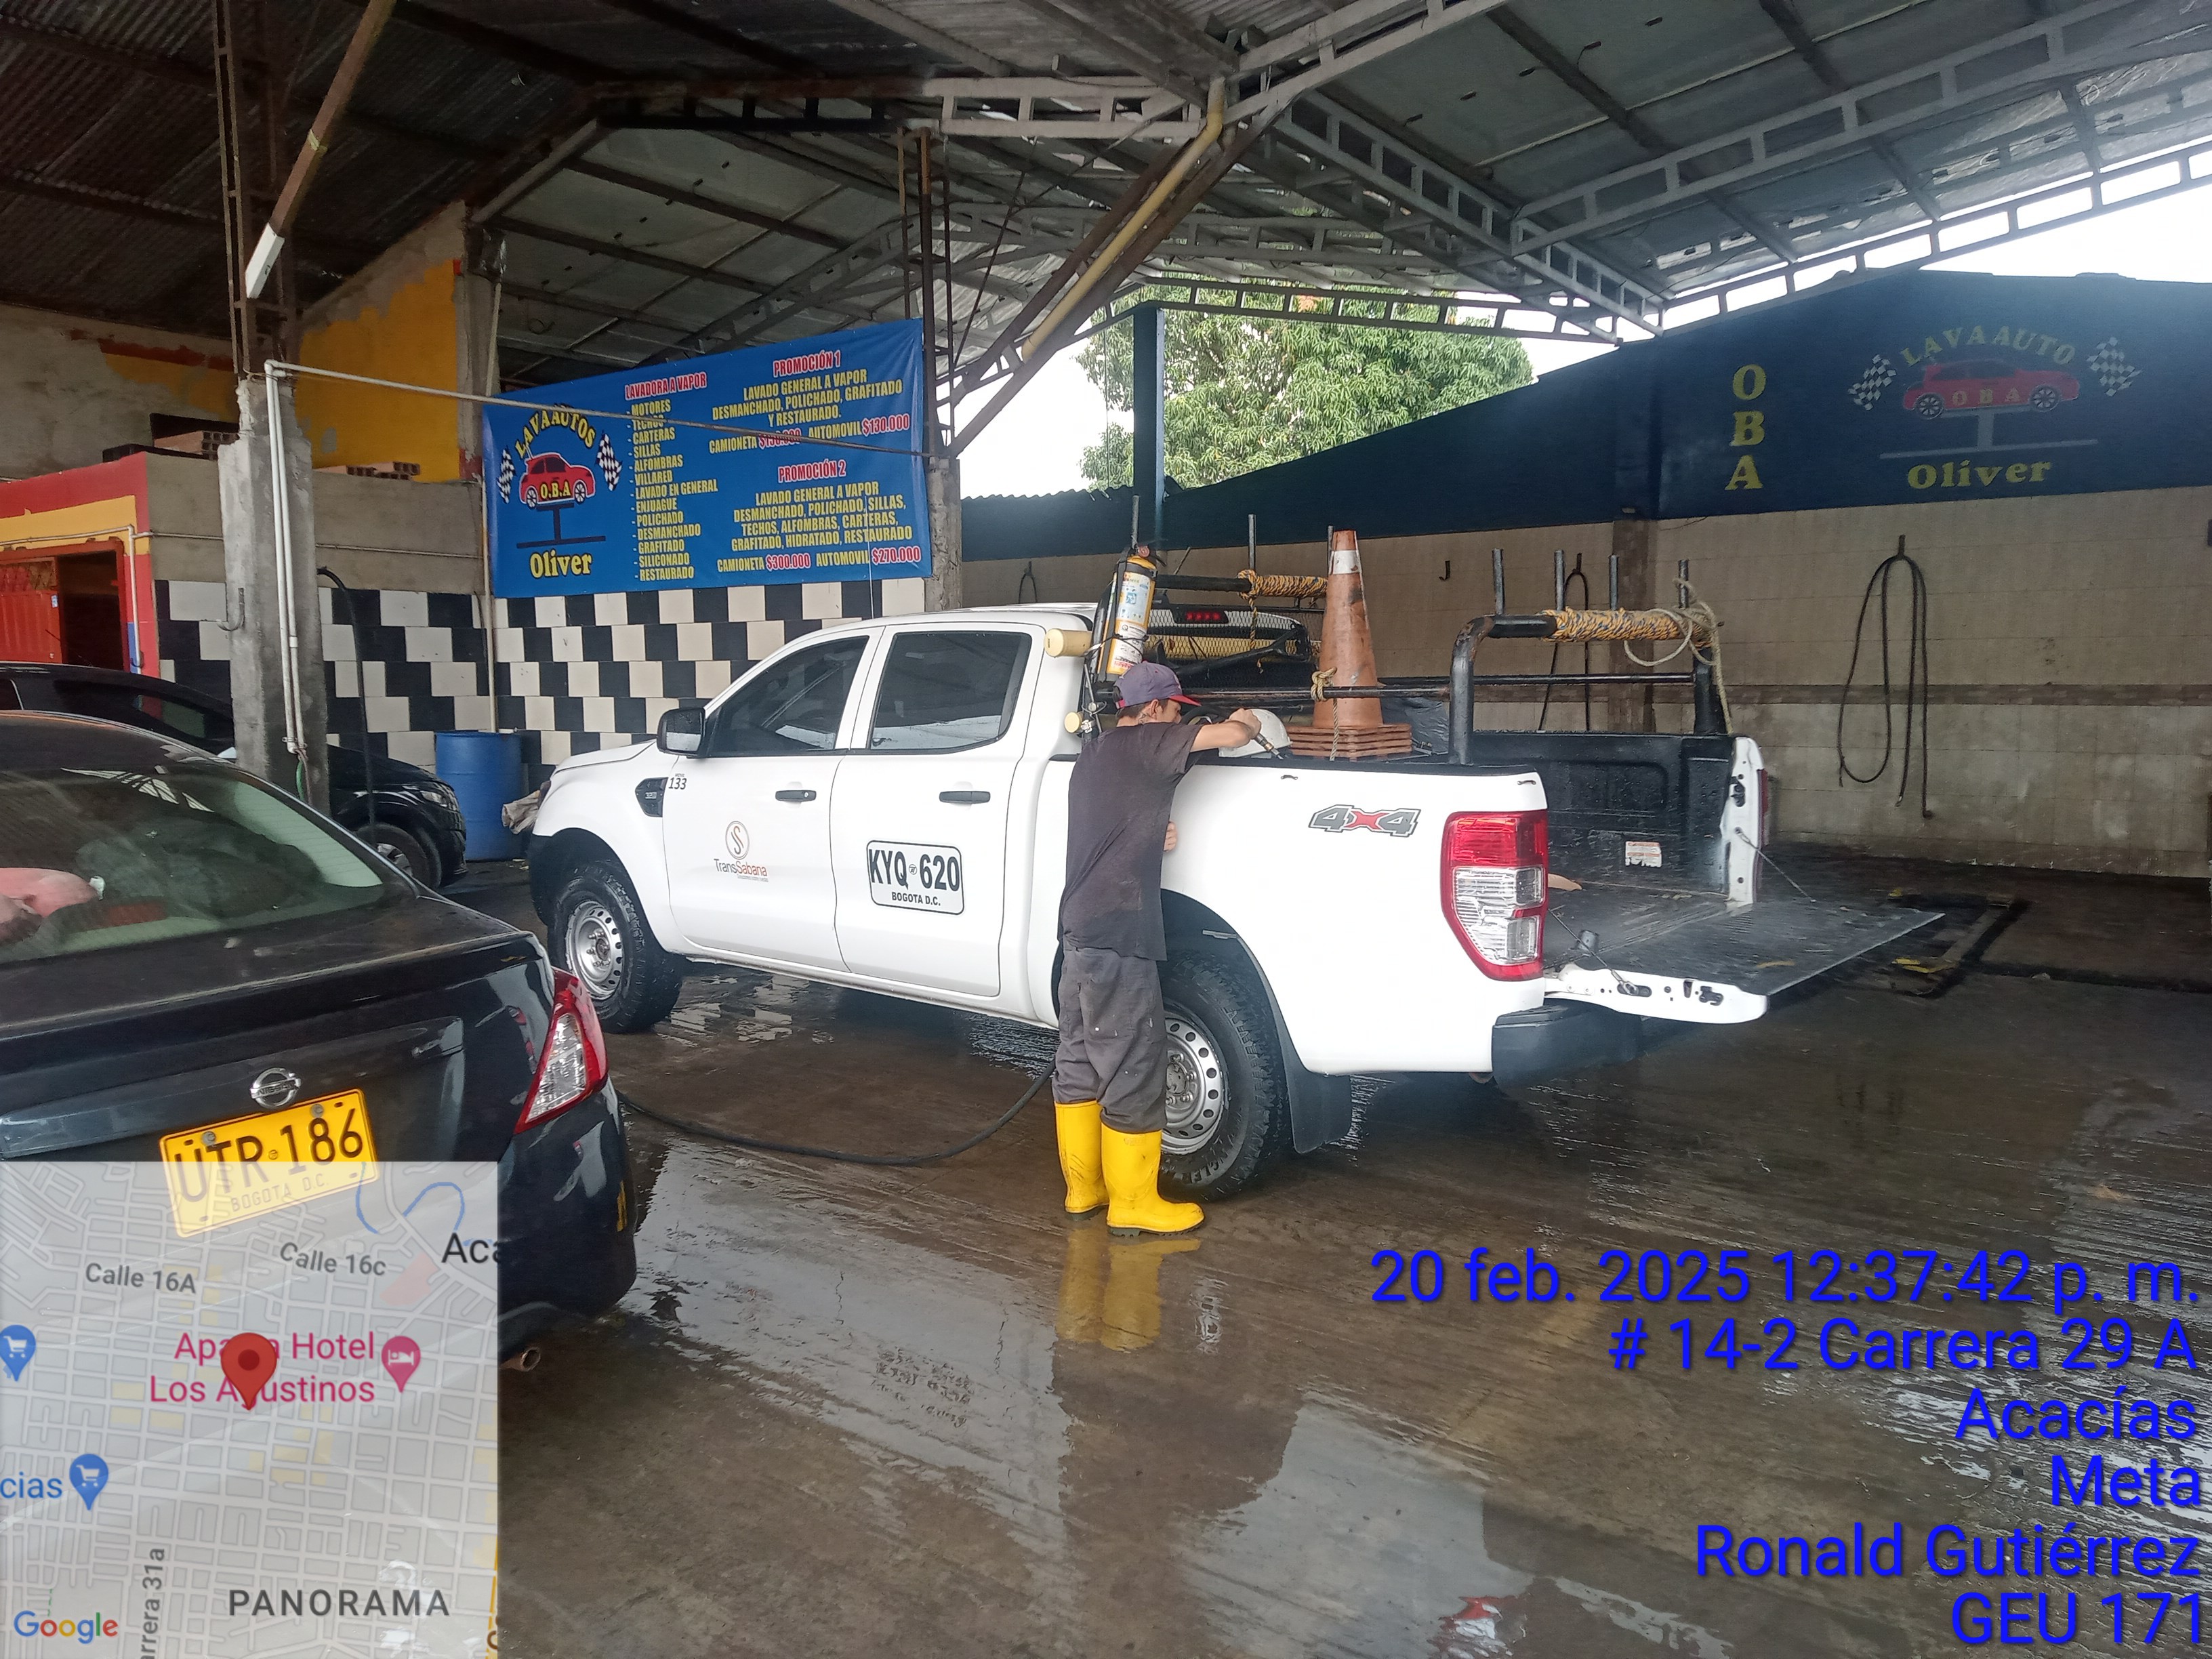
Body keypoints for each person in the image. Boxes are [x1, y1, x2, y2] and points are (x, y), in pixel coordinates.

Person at [1052, 660, 1261, 1235]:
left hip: (1079, 928)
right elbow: (1231, 736)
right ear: (1152, 710)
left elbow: (1116, 820)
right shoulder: (1149, 744)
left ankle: (1083, 1191)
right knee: (1134, 1061)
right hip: (1119, 931)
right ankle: (1133, 1203)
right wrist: (1248, 721)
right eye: (1174, 710)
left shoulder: (1096, 753)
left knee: (1079, 1057)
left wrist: (1152, 832)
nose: (1177, 720)